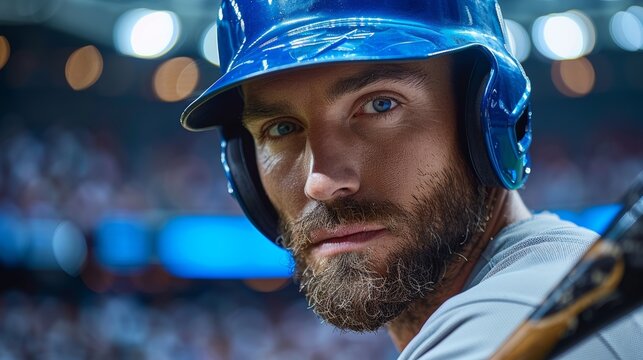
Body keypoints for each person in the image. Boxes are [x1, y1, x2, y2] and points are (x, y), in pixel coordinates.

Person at [180, 0, 643, 358]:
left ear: (488, 122)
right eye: (281, 128)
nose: (320, 182)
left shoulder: (521, 317)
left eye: (380, 104)